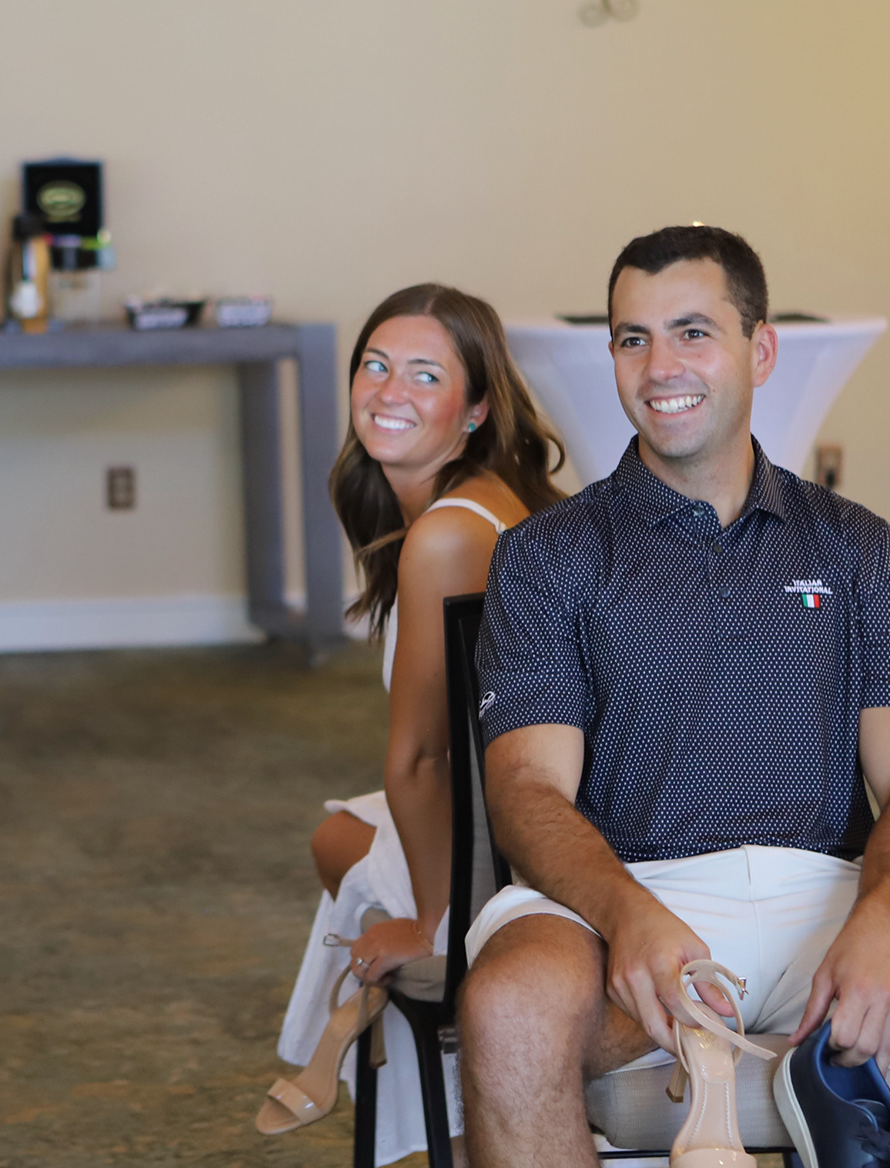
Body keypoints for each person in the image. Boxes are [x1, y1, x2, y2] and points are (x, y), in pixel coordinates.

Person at [457, 226, 890, 1168]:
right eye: (633, 339)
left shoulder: (855, 545)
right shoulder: (548, 555)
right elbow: (526, 791)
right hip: (629, 895)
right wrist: (624, 913)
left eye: (693, 332)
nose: (660, 367)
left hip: (834, 889)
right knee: (507, 1012)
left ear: (761, 350)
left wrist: (885, 918)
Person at [258, 283, 566, 1163]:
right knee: (339, 834)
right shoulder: (481, 498)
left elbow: (427, 760)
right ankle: (453, 1117)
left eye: (425, 375)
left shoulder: (446, 536)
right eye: (376, 366)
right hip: (502, 799)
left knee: (345, 856)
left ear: (475, 410)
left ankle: (456, 1122)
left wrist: (435, 926)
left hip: (503, 838)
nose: (389, 391)